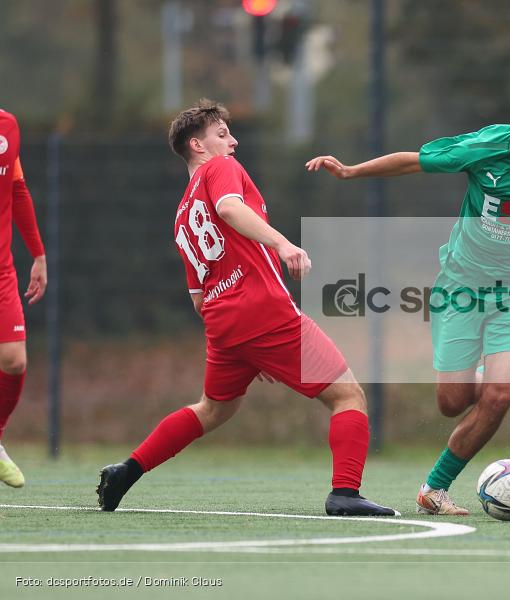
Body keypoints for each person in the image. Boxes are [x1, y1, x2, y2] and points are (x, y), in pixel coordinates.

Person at [305, 92, 510, 515]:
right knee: (451, 402)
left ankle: (435, 487)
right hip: (461, 286)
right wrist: (351, 171)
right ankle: (485, 370)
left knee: (500, 395)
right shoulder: (486, 147)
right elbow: (414, 160)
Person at [96, 99, 397, 516]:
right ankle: (344, 494)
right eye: (222, 134)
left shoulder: (183, 215)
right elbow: (229, 207)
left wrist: (247, 345)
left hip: (223, 323)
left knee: (213, 409)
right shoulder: (220, 169)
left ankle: (126, 471)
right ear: (198, 146)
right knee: (348, 396)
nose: (232, 141)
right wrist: (283, 243)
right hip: (262, 310)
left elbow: (198, 298)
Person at [0, 109, 47, 489]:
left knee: (14, 361)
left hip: (2, 271)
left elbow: (17, 189)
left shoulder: (9, 126)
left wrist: (38, 254)